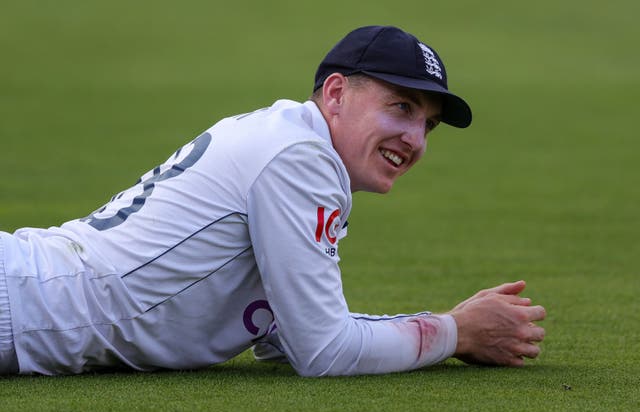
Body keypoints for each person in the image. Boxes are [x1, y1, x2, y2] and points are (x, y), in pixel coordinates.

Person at [0, 25, 545, 376]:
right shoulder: (299, 159)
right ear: (335, 94)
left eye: (427, 124)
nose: (416, 139)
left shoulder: (291, 141)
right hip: (19, 302)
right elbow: (324, 351)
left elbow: (290, 335)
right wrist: (454, 332)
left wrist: (447, 325)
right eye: (401, 108)